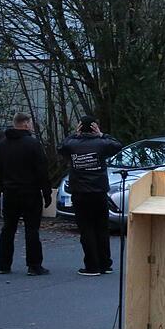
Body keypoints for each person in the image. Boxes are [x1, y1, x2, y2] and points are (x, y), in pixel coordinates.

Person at [59, 116, 122, 275]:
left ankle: (92, 265)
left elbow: (61, 147)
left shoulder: (72, 145)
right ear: (95, 127)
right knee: (101, 228)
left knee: (86, 229)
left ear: (80, 128)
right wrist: (102, 135)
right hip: (99, 192)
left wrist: (75, 134)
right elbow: (117, 146)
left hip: (80, 193)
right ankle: (105, 263)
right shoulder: (102, 144)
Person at [0, 112, 52, 276]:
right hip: (30, 192)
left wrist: (0, 189)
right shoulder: (33, 144)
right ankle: (34, 265)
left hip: (10, 192)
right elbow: (42, 171)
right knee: (32, 229)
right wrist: (47, 193)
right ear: (26, 124)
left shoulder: (3, 145)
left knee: (8, 228)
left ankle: (3, 264)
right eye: (30, 123)